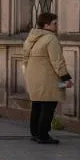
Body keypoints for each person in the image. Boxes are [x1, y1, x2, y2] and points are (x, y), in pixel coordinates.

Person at [24, 12, 73, 144]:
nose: (56, 26)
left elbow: (25, 58)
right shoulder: (51, 39)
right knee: (48, 106)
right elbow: (57, 61)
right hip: (47, 78)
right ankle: (43, 135)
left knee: (37, 105)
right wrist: (65, 78)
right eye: (54, 23)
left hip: (33, 76)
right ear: (46, 25)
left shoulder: (32, 38)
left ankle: (35, 134)